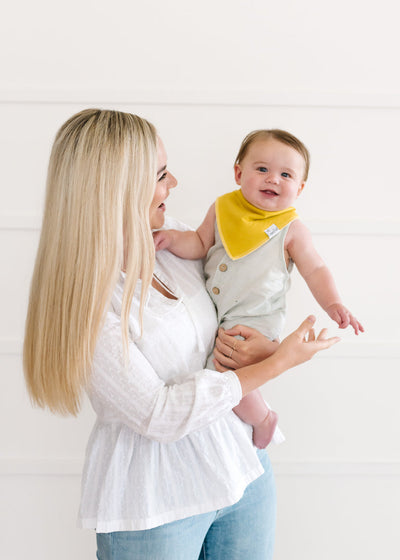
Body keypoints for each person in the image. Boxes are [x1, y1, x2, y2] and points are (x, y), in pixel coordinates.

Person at [23, 110, 339, 560]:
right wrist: (278, 362)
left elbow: (240, 312)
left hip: (241, 467)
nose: (174, 184)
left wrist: (268, 348)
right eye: (161, 175)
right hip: (157, 500)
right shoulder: (86, 301)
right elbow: (159, 414)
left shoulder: (172, 249)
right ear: (117, 187)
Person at [154, 128, 363, 449]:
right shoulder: (223, 209)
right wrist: (170, 239)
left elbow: (316, 269)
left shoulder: (291, 229)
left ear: (300, 187)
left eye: (286, 174)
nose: (273, 179)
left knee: (227, 378)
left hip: (254, 321)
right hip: (216, 313)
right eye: (262, 169)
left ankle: (263, 418)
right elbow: (199, 242)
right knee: (218, 373)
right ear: (238, 173)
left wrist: (333, 303)